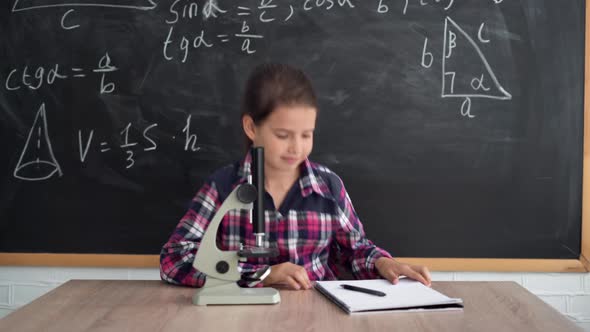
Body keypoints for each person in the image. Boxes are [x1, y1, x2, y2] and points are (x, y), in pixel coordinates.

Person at [160, 63, 431, 290]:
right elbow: (174, 261)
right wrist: (262, 275)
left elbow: (354, 250)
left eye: (306, 134)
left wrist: (382, 263)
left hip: (316, 316)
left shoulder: (327, 187)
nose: (296, 148)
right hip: (243, 318)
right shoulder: (223, 187)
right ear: (251, 127)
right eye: (283, 135)